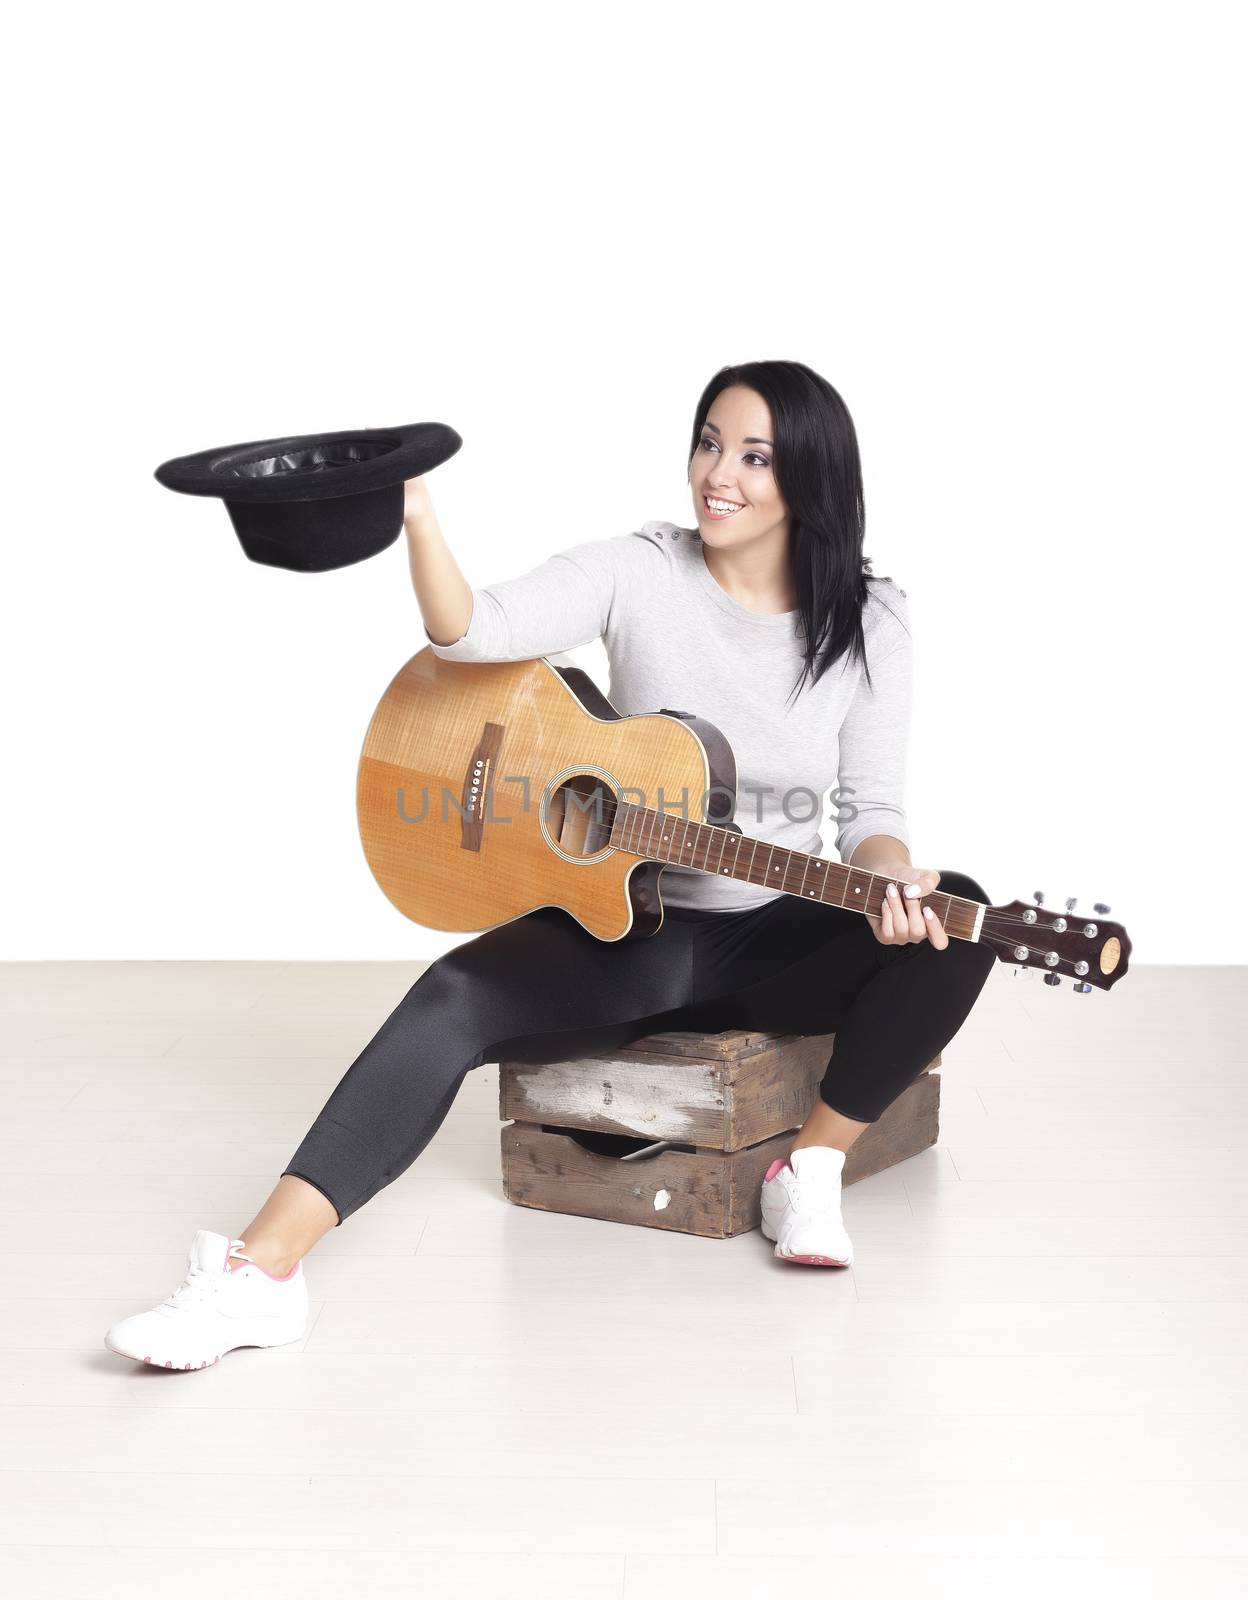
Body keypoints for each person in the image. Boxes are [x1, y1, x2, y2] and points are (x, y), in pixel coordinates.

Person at [105, 360, 996, 1370]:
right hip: (637, 928)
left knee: (963, 917)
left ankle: (812, 1168)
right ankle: (259, 1276)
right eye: (709, 441)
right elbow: (470, 631)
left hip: (779, 935)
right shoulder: (641, 568)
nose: (718, 473)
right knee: (449, 996)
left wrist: (891, 879)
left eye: (755, 456)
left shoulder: (871, 619)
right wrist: (417, 517)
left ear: (814, 480)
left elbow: (872, 812)